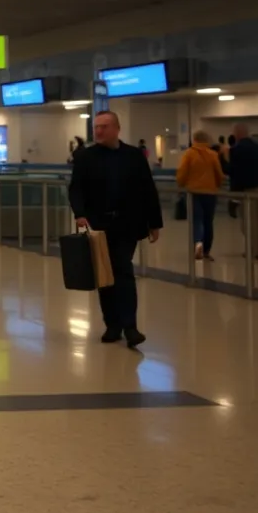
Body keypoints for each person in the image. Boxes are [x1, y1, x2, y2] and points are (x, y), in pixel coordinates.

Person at [67, 110, 162, 349]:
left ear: (117, 129)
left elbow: (148, 189)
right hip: (99, 225)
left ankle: (130, 326)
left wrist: (155, 222)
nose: (99, 131)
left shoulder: (133, 156)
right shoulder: (85, 157)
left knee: (123, 270)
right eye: (96, 127)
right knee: (105, 275)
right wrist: (79, 213)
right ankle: (113, 324)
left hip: (128, 224)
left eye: (104, 126)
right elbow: (76, 188)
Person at [176, 130, 224, 261]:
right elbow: (219, 174)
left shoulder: (189, 154)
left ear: (195, 140)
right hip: (210, 193)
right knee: (208, 222)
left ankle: (198, 243)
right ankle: (207, 251)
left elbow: (182, 173)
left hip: (193, 192)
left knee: (197, 220)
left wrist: (181, 185)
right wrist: (217, 185)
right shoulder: (213, 154)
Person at [229, 122, 258, 260]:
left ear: (237, 134)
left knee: (248, 222)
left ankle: (253, 250)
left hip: (248, 190)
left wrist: (233, 197)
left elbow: (235, 174)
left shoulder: (236, 150)